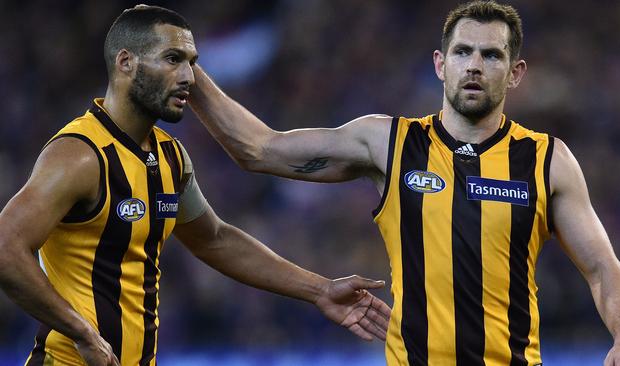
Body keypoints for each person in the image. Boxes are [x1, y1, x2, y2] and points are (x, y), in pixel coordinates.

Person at [187, 1, 620, 365]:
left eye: (491, 55)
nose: (475, 66)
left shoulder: (548, 160)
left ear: (516, 72)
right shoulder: (387, 142)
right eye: (463, 52)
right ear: (441, 64)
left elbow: (603, 268)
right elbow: (258, 149)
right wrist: (189, 68)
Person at [0, 5, 392, 366]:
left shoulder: (171, 157)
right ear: (126, 63)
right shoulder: (80, 154)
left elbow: (215, 239)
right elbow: (5, 248)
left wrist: (319, 290)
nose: (188, 77)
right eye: (173, 60)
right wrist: (80, 330)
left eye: (192, 63)